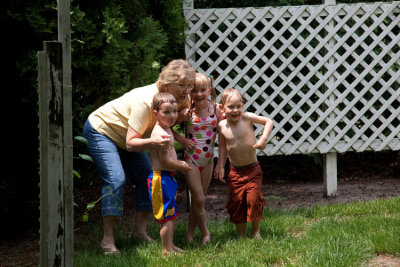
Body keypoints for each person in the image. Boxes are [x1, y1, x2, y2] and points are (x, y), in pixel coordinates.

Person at [82, 59, 195, 255]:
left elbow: (181, 114)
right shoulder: (146, 102)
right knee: (116, 179)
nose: (187, 91)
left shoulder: (178, 97)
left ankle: (139, 233)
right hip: (103, 130)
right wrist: (154, 143)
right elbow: (130, 143)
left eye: (189, 85)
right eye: (182, 85)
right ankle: (107, 241)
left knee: (146, 177)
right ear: (167, 84)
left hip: (128, 135)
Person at [213, 88, 274, 239]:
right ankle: (241, 235)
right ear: (222, 108)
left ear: (243, 106)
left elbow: (268, 121)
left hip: (253, 169)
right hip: (235, 172)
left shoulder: (246, 118)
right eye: (231, 107)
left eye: (238, 106)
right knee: (237, 203)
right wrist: (220, 166)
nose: (235, 110)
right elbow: (222, 147)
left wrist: (263, 139)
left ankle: (256, 232)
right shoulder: (222, 126)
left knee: (253, 201)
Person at [174, 73, 223, 245]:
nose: (199, 94)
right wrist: (181, 139)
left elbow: (223, 138)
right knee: (200, 199)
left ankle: (189, 234)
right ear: (189, 92)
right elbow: (164, 125)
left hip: (208, 160)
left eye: (203, 90)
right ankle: (205, 234)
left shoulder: (217, 109)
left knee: (197, 199)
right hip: (191, 160)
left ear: (209, 90)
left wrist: (221, 164)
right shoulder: (187, 111)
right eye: (195, 90)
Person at [147, 92, 192, 255]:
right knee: (166, 216)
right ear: (155, 113)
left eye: (174, 111)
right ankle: (166, 250)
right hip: (161, 178)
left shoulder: (166, 128)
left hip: (167, 178)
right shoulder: (162, 134)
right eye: (166, 112)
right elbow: (165, 161)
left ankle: (170, 246)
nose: (172, 115)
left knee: (171, 214)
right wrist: (182, 166)